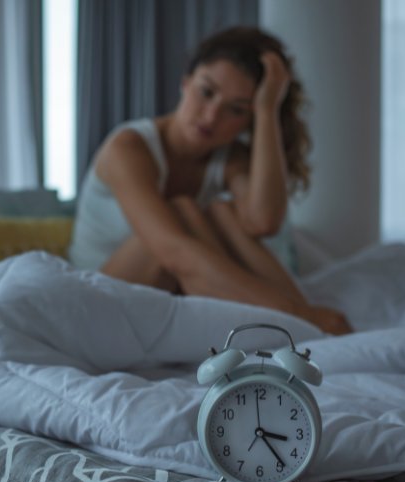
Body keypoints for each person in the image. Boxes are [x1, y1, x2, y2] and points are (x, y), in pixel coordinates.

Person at [69, 27, 352, 336]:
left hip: (166, 295)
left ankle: (307, 328)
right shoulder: (129, 148)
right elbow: (172, 252)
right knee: (179, 212)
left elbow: (263, 221)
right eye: (206, 91)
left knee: (220, 211)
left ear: (248, 120)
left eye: (236, 109)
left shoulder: (229, 158)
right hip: (95, 300)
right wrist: (297, 313)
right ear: (186, 82)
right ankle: (302, 324)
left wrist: (267, 109)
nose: (212, 115)